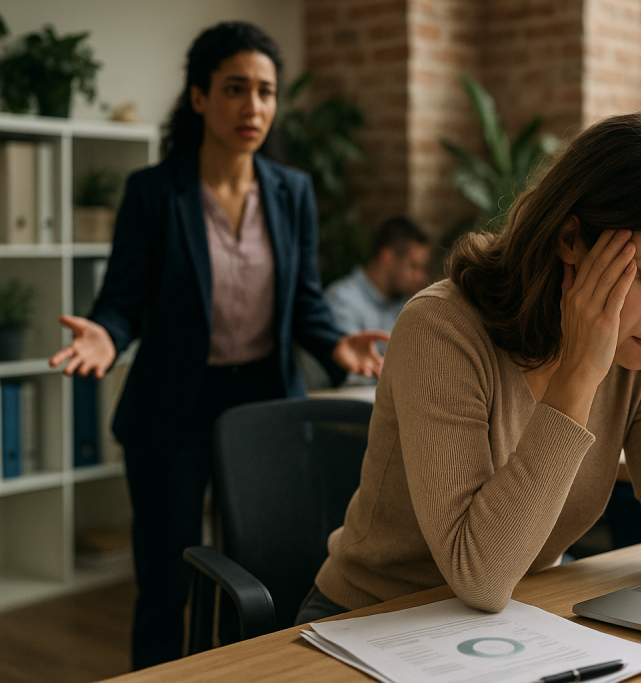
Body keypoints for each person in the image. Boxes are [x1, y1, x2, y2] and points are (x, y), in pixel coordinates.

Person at [293, 110, 641, 624]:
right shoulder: (442, 329)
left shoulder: (640, 350)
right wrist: (577, 376)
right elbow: (479, 575)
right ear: (571, 239)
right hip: (373, 620)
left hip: (512, 621)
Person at [47, 22, 387, 669]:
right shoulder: (152, 192)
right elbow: (122, 299)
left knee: (266, 572)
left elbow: (305, 302)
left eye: (265, 91)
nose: (253, 107)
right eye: (235, 89)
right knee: (167, 584)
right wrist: (106, 333)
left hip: (263, 404)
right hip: (173, 405)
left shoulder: (292, 193)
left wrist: (337, 344)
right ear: (200, 97)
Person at [324, 215, 431, 337]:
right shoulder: (342, 301)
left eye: (424, 268)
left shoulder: (407, 304)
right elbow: (350, 355)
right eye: (414, 266)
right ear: (387, 259)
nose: (421, 277)